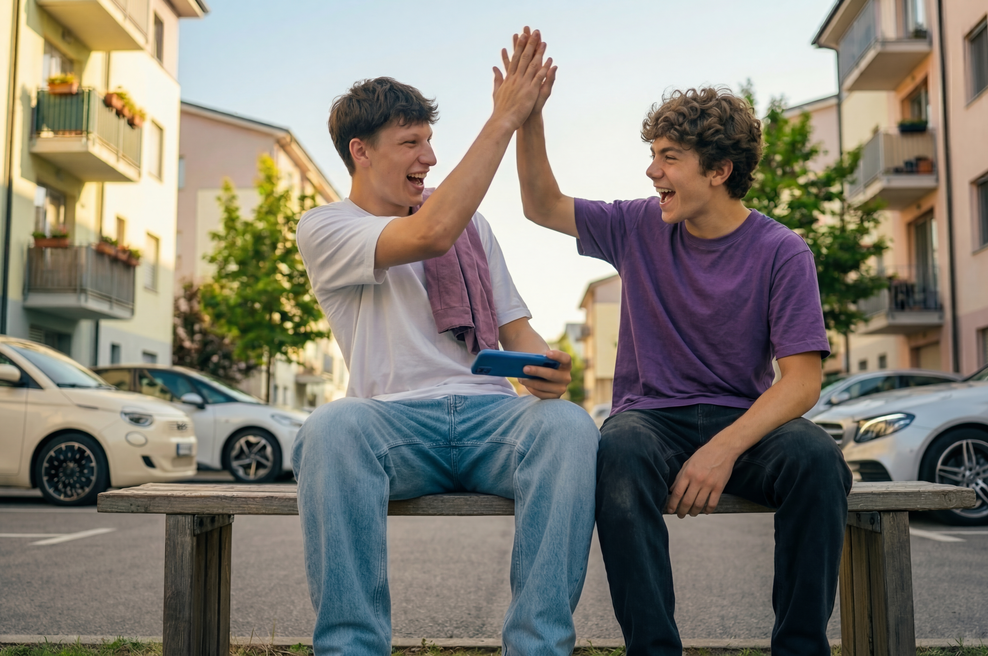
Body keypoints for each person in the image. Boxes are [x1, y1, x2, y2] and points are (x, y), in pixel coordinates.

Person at [514, 46, 853, 656]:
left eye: (669, 159)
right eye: (653, 156)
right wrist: (529, 117)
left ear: (719, 169)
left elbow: (801, 382)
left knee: (818, 460)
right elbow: (541, 205)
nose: (652, 173)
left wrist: (722, 450)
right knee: (614, 450)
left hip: (739, 423)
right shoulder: (638, 225)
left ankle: (801, 648)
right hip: (650, 421)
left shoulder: (782, 252)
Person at [293, 29, 599, 656]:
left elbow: (515, 328)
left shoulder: (472, 225)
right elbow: (430, 233)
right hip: (391, 424)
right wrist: (506, 118)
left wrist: (548, 367)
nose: (429, 159)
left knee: (570, 427)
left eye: (430, 143)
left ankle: (538, 646)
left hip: (492, 417)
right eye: (411, 143)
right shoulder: (328, 226)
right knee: (329, 429)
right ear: (361, 152)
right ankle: (351, 648)